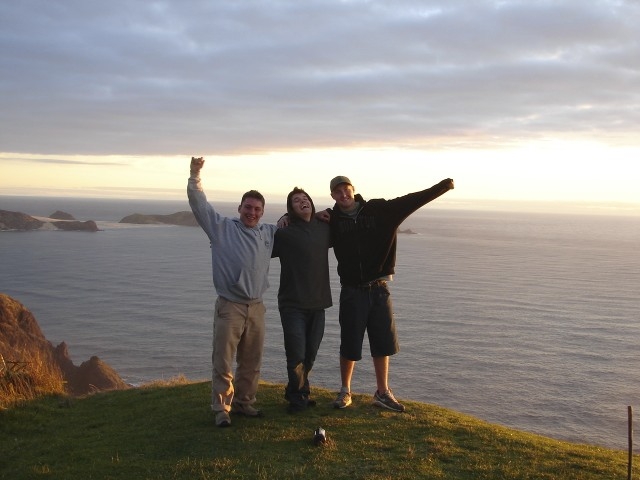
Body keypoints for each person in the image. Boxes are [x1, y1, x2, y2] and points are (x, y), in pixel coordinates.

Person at [326, 174, 454, 412]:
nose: (343, 195)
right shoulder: (331, 219)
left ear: (353, 190)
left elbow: (411, 201)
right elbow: (304, 221)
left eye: (347, 190)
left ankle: (383, 392)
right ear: (333, 195)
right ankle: (345, 391)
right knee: (349, 343)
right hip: (352, 291)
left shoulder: (378, 210)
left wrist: (442, 187)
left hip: (379, 289)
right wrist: (290, 217)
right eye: (338, 192)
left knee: (383, 342)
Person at [187, 157, 278, 427]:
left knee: (252, 360)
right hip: (231, 306)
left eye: (257, 209)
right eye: (248, 207)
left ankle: (244, 403)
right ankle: (221, 409)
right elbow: (198, 203)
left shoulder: (268, 233)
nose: (252, 212)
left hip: (257, 307)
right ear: (239, 207)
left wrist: (318, 216)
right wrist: (195, 173)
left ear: (262, 212)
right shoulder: (222, 229)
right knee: (223, 360)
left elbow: (296, 226)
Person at [271, 187, 332, 413]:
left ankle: (297, 390)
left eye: (305, 199)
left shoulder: (324, 228)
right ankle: (298, 398)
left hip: (319, 303)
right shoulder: (285, 233)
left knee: (309, 355)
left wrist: (322, 214)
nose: (302, 201)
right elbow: (259, 248)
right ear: (291, 209)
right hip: (292, 305)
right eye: (296, 201)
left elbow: (345, 215)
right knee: (296, 354)